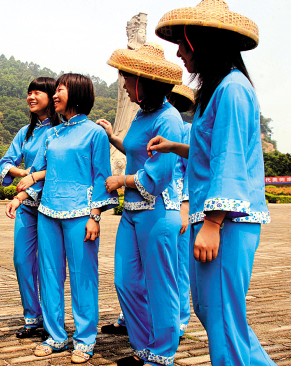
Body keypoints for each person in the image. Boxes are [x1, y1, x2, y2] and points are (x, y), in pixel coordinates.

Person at [150, 1, 275, 365]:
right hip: (218, 220)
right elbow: (212, 149)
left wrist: (212, 223)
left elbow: (231, 161)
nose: (179, 53)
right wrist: (177, 146)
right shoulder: (217, 90)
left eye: (183, 44)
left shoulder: (232, 89)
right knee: (216, 315)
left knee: (223, 319)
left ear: (201, 43)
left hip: (228, 223)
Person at [14, 73, 119, 364]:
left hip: (80, 215)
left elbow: (101, 176)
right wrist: (23, 191)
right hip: (48, 213)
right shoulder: (52, 134)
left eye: (60, 89)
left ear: (76, 93)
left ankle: (85, 339)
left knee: (83, 277)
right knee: (50, 277)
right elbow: (38, 170)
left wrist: (95, 216)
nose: (55, 94)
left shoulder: (94, 133)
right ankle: (56, 336)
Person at [98, 43, 184, 366]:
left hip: (159, 212)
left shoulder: (169, 119)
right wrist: (112, 136)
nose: (122, 84)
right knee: (126, 281)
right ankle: (144, 346)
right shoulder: (141, 116)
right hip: (132, 214)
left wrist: (122, 181)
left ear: (142, 80)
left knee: (160, 286)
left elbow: (158, 175)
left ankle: (162, 354)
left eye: (125, 78)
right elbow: (136, 151)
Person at [0, 77, 60, 339]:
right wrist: (23, 171)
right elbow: (5, 162)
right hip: (26, 205)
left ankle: (51, 320)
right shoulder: (26, 132)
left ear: (51, 97)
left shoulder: (60, 131)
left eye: (37, 92)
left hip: (50, 206)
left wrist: (27, 188)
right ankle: (31, 316)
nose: (31, 97)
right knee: (22, 261)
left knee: (49, 265)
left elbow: (58, 171)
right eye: (29, 93)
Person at [168, 84, 194, 338]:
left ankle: (180, 317)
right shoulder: (146, 124)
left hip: (177, 204)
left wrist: (185, 206)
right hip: (153, 204)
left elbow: (191, 169)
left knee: (178, 264)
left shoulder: (186, 130)